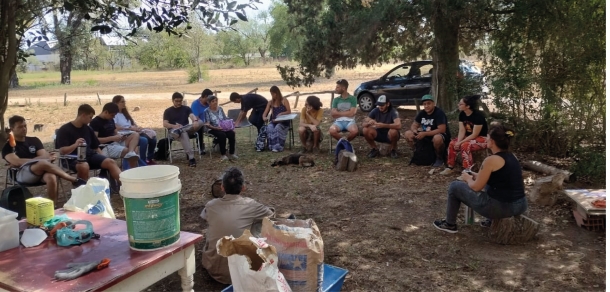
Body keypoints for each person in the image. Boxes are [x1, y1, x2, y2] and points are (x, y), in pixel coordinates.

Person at [433, 124, 527, 233]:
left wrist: (467, 178)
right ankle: (490, 221)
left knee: (454, 187)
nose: (485, 139)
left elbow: (476, 187)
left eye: (487, 137)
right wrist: (473, 174)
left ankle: (449, 224)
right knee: (490, 185)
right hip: (521, 205)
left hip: (503, 208)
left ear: (492, 141)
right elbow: (497, 178)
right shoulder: (512, 156)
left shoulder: (490, 160)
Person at [200, 167, 274, 284]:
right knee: (258, 224)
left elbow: (204, 216)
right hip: (243, 273)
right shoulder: (251, 205)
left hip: (214, 268)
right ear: (243, 187)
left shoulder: (210, 205)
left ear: (222, 187)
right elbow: (270, 215)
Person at [2, 116, 86, 203]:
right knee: (42, 163)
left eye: (25, 126)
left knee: (51, 177)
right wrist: (40, 159)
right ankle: (73, 179)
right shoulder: (8, 147)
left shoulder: (34, 140)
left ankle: (52, 206)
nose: (24, 129)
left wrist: (39, 159)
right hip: (21, 174)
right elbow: (18, 162)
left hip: (40, 171)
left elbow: (44, 156)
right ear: (12, 129)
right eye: (20, 127)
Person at [56, 104, 122, 184]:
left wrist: (104, 158)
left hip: (89, 155)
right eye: (90, 117)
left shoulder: (88, 129)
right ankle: (82, 189)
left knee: (110, 162)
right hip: (71, 158)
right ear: (83, 115)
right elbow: (62, 151)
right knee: (84, 166)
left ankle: (125, 186)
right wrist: (75, 145)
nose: (91, 120)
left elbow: (95, 147)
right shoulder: (64, 130)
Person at [441, 95, 488, 175]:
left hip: (481, 138)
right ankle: (450, 167)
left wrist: (461, 143)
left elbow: (475, 134)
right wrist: (458, 142)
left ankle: (468, 171)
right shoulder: (462, 114)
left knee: (465, 145)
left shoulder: (478, 116)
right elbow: (462, 130)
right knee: (452, 143)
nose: (458, 105)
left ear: (468, 106)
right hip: (468, 137)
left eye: (461, 104)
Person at [89, 102, 142, 170]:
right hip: (105, 147)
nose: (113, 117)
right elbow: (95, 140)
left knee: (135, 134)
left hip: (115, 143)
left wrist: (120, 136)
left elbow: (115, 132)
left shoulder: (110, 120)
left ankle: (131, 155)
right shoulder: (95, 122)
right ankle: (132, 171)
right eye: (112, 115)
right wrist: (112, 138)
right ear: (106, 112)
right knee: (133, 150)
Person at [404, 94, 450, 167]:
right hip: (425, 134)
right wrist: (414, 130)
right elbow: (414, 125)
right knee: (408, 133)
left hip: (438, 134)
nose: (426, 106)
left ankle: (440, 157)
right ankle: (417, 153)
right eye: (424, 104)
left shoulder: (439, 113)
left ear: (433, 104)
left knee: (437, 138)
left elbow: (442, 129)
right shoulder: (422, 113)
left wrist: (425, 134)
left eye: (429, 103)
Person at [112, 95, 158, 165]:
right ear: (116, 103)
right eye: (122, 102)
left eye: (124, 101)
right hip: (125, 135)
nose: (124, 103)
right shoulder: (114, 115)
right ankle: (142, 160)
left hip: (133, 132)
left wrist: (138, 128)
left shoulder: (125, 113)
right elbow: (115, 127)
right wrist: (129, 128)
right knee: (144, 140)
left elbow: (132, 123)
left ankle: (149, 158)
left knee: (153, 139)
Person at [163, 92, 204, 167]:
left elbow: (192, 115)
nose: (179, 103)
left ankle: (181, 130)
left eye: (180, 101)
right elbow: (165, 124)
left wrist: (195, 121)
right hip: (174, 131)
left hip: (186, 128)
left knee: (200, 122)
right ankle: (191, 158)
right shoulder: (168, 111)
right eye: (176, 101)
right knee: (182, 133)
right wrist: (174, 126)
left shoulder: (186, 108)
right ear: (172, 101)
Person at [203, 95, 238, 161]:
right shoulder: (206, 111)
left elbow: (225, 119)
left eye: (216, 100)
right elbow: (207, 124)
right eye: (213, 101)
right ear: (209, 103)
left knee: (231, 133)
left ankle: (232, 153)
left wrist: (231, 125)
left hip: (223, 127)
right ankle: (223, 154)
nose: (215, 102)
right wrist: (216, 128)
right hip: (212, 128)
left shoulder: (220, 109)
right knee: (222, 135)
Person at [263, 86, 291, 152]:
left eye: (273, 94)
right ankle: (271, 146)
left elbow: (289, 111)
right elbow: (265, 113)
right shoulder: (270, 102)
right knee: (269, 127)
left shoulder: (284, 100)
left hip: (283, 121)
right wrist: (264, 117)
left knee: (278, 127)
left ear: (277, 93)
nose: (272, 95)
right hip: (274, 121)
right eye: (271, 94)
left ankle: (278, 146)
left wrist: (282, 113)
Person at [191, 88, 214, 154]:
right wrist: (205, 123)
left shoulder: (209, 104)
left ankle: (218, 142)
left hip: (210, 123)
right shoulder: (195, 104)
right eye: (209, 98)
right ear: (205, 96)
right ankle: (201, 147)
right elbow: (196, 118)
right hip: (201, 124)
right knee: (200, 126)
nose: (210, 100)